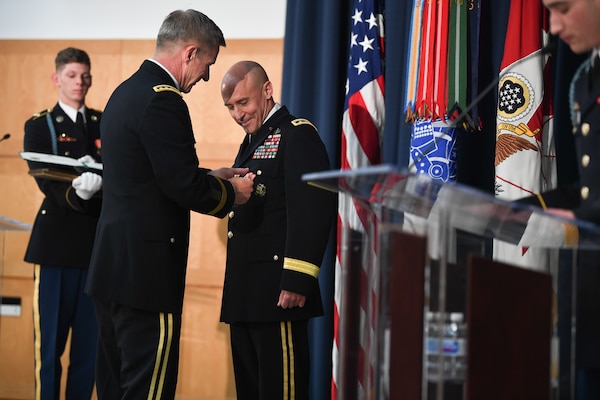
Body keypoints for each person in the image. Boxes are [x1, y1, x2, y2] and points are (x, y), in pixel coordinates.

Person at [84, 10, 254, 400]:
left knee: (115, 387)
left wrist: (213, 177)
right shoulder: (165, 101)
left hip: (112, 271)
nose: (207, 77)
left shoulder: (125, 92)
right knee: (148, 390)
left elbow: (149, 177)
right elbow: (180, 184)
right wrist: (233, 195)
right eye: (207, 64)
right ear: (190, 52)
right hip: (147, 278)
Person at [219, 60, 336, 400]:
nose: (238, 114)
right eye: (230, 107)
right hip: (246, 294)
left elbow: (313, 210)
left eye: (244, 102)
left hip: (278, 294)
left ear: (267, 91)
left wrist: (298, 279)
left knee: (281, 391)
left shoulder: (298, 134)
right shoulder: (254, 140)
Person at [23, 47, 103, 400]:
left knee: (90, 351)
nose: (79, 82)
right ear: (57, 78)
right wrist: (79, 191)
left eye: (84, 76)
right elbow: (46, 179)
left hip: (96, 251)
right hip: (55, 248)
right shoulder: (40, 125)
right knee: (50, 349)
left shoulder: (105, 123)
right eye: (71, 75)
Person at [535, 0, 600, 398]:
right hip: (592, 308)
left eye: (562, 8)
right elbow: (592, 187)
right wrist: (527, 208)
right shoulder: (585, 80)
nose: (554, 27)